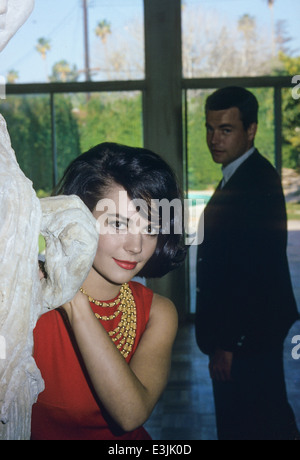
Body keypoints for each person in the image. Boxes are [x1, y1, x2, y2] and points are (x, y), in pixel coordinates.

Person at [31, 142, 187, 440]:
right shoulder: (29, 300)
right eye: (118, 224)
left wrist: (74, 301)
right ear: (78, 218)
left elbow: (131, 414)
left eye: (150, 229)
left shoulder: (159, 312)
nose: (136, 246)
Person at [195, 86, 300, 440]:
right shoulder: (239, 175)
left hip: (246, 337)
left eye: (225, 129)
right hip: (246, 334)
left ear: (250, 130)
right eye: (210, 128)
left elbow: (254, 273)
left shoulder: (256, 181)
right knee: (259, 417)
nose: (214, 139)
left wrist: (228, 343)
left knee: (253, 422)